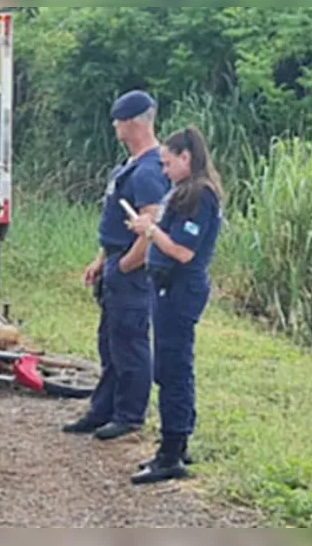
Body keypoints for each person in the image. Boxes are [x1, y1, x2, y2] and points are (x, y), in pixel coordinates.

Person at [62, 90, 170, 441]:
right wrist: (101, 260)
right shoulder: (128, 166)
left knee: (130, 343)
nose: (114, 127)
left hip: (131, 271)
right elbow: (116, 224)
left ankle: (129, 414)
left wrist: (125, 265)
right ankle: (103, 408)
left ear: (133, 123)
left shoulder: (150, 171)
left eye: (118, 121)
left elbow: (152, 226)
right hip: (114, 260)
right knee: (110, 342)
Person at [128, 125, 224, 485]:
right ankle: (178, 440)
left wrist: (150, 231)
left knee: (172, 368)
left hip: (180, 290)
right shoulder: (183, 192)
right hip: (167, 287)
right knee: (171, 365)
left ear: (187, 158)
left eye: (168, 164)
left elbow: (184, 251)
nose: (164, 171)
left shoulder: (200, 196)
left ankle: (170, 451)